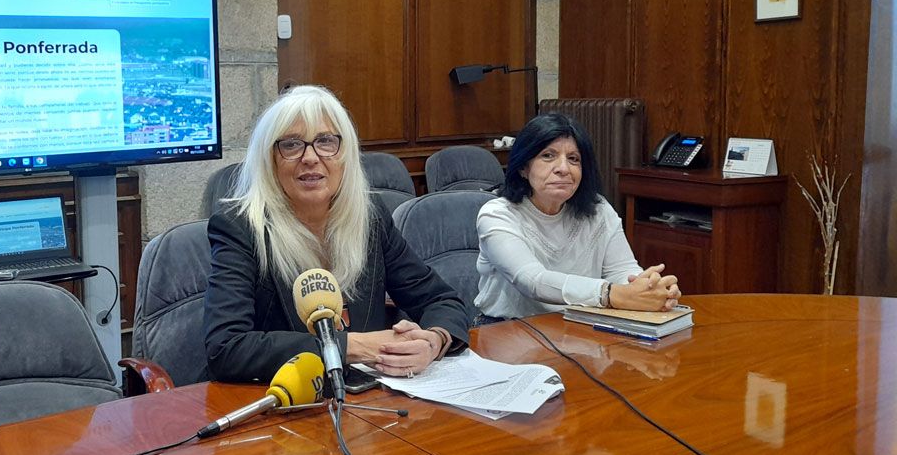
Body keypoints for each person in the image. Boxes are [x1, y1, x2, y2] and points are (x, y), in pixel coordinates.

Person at [204, 85, 469, 383]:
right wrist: (352, 346)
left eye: (325, 141)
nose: (310, 157)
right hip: (285, 402)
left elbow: (440, 300)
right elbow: (226, 348)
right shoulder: (240, 228)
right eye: (291, 144)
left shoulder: (370, 217)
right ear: (270, 159)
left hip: (369, 397)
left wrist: (433, 341)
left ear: (345, 154)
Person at [474, 113, 681, 322]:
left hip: (579, 325)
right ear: (523, 168)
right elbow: (533, 281)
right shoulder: (497, 215)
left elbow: (622, 271)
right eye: (548, 156)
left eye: (574, 159)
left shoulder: (598, 209)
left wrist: (649, 289)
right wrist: (610, 294)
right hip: (506, 332)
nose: (564, 169)